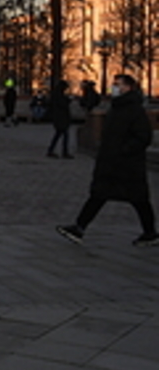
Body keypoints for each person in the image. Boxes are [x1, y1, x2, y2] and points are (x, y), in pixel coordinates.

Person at [57, 74, 159, 247]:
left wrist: (123, 151)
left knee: (138, 199)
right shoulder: (117, 107)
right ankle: (79, 227)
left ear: (128, 87)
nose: (114, 87)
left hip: (127, 164)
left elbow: (143, 137)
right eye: (114, 84)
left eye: (118, 85)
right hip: (111, 162)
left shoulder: (134, 109)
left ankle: (150, 233)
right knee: (99, 194)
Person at [46, 79, 73, 159]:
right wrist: (68, 100)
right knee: (64, 134)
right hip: (61, 117)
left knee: (59, 134)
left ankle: (51, 150)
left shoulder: (55, 94)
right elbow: (62, 104)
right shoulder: (59, 95)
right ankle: (64, 152)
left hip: (58, 117)